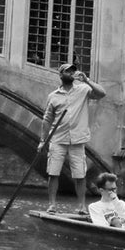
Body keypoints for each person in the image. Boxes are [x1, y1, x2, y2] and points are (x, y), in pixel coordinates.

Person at [38, 62, 107, 214]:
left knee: (80, 174)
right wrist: (43, 140)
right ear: (61, 75)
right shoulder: (53, 96)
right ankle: (52, 205)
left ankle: (81, 207)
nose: (71, 73)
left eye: (73, 71)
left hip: (78, 140)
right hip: (57, 139)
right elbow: (47, 119)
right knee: (53, 172)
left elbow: (102, 94)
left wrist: (87, 80)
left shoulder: (83, 90)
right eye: (68, 71)